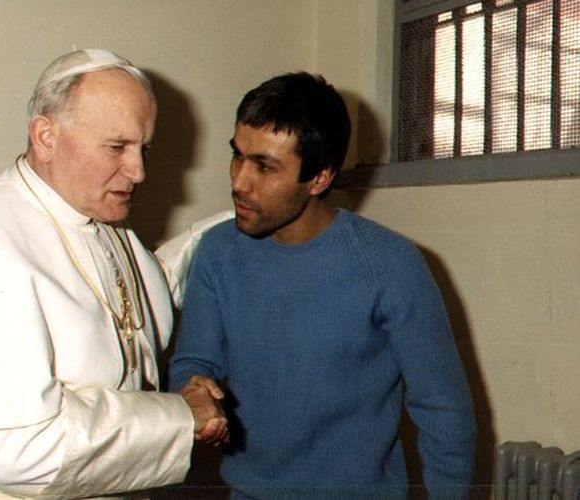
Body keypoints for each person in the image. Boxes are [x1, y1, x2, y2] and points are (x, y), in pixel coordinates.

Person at [0, 49, 230, 499]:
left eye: (143, 147)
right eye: (117, 147)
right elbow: (17, 448)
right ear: (46, 136)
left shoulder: (102, 225)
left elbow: (128, 315)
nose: (139, 171)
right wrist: (178, 416)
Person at [166, 72, 476, 499]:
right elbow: (193, 362)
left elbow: (444, 412)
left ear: (319, 178)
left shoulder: (390, 264)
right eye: (237, 155)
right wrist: (194, 388)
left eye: (264, 166)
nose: (239, 180)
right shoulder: (217, 252)